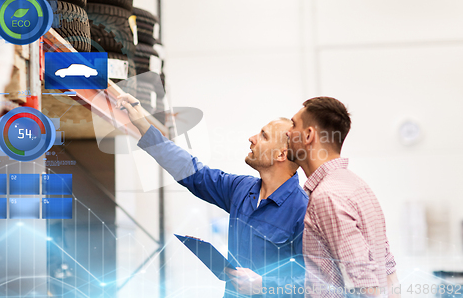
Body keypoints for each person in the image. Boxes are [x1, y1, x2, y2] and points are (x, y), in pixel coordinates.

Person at [117, 93, 308, 297]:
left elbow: (314, 284)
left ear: (280, 154)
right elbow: (193, 173)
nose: (252, 138)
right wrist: (144, 127)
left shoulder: (303, 210)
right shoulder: (241, 189)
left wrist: (265, 285)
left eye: (263, 135)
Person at [286, 97, 400, 298]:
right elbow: (388, 269)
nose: (288, 132)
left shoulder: (327, 196)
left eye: (294, 125)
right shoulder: (357, 185)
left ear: (309, 135)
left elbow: (364, 284)